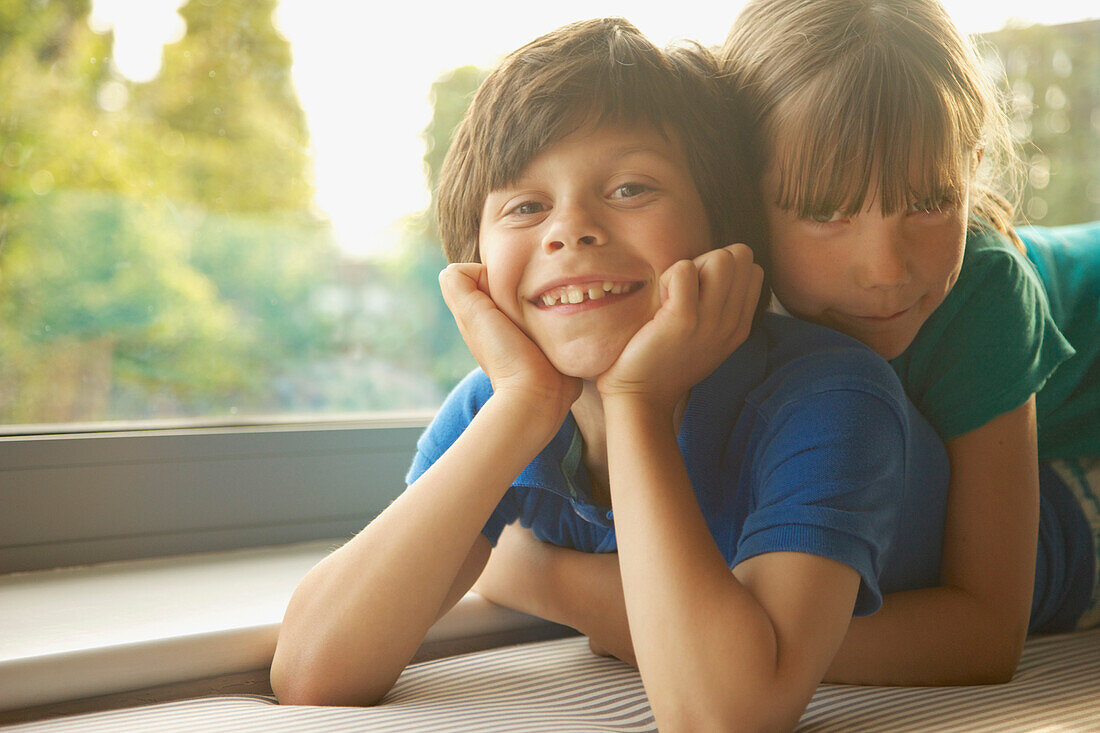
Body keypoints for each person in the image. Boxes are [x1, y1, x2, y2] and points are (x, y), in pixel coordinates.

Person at [270, 18, 957, 729]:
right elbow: (313, 670)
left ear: (723, 229)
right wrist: (524, 404)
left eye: (630, 189)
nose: (570, 229)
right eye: (526, 206)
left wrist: (636, 402)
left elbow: (725, 715)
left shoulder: (831, 393)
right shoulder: (507, 404)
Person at [715, 0, 1100, 685]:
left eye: (929, 202)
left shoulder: (983, 294)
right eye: (827, 212)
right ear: (743, 198)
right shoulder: (720, 284)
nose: (888, 270)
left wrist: (663, 632)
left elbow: (986, 632)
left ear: (972, 167)